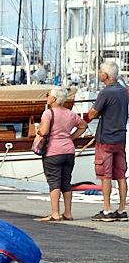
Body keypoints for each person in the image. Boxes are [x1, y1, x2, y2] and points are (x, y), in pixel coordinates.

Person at [34, 87, 87, 222]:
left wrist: (38, 131)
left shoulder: (48, 113)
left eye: (48, 95)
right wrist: (71, 137)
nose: (47, 97)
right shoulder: (70, 114)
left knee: (54, 182)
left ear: (53, 98)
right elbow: (83, 125)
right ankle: (68, 213)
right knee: (66, 182)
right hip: (69, 151)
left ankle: (55, 213)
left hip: (53, 151)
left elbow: (45, 131)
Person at [85, 61, 129, 221]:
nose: (98, 74)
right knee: (121, 175)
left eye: (100, 72)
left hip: (106, 139)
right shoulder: (124, 92)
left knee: (106, 175)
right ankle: (123, 209)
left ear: (105, 75)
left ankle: (107, 209)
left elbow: (92, 114)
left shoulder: (106, 93)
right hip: (120, 138)